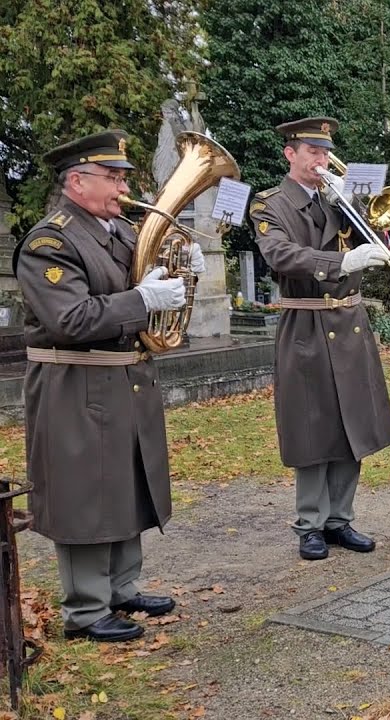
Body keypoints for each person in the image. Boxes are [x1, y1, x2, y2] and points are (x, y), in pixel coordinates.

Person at [16, 130, 198, 641]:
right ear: (77, 181)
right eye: (112, 177)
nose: (123, 187)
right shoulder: (50, 240)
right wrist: (144, 300)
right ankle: (86, 609)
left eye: (123, 177)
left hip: (123, 379)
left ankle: (122, 588)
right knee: (85, 494)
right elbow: (68, 318)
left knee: (126, 483)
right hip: (75, 383)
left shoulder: (118, 231)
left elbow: (137, 288)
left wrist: (179, 278)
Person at [250, 117, 390, 561]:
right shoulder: (269, 204)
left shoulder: (339, 200)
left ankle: (340, 519)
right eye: (312, 152)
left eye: (325, 151)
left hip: (349, 325)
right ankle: (310, 524)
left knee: (351, 422)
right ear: (290, 154)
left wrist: (358, 209)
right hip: (307, 324)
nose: (322, 160)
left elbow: (378, 239)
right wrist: (341, 262)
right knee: (312, 428)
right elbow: (280, 254)